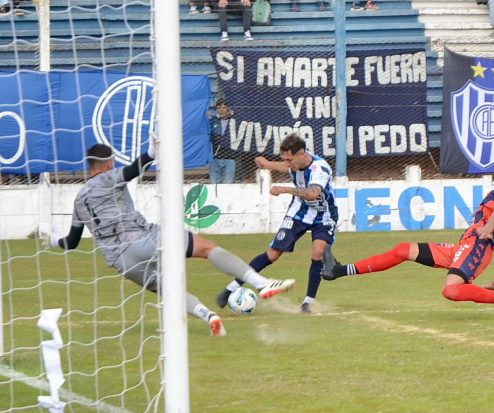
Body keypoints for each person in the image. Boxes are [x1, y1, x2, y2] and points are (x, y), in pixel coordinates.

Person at [50, 143, 296, 336]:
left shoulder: (79, 200)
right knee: (206, 248)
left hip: (120, 261)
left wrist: (52, 241)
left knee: (169, 290)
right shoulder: (106, 177)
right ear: (108, 163)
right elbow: (132, 171)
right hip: (143, 239)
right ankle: (262, 284)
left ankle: (208, 316)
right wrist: (150, 154)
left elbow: (71, 242)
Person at [321, 151, 494, 321]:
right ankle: (338, 270)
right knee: (403, 250)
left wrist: (488, 230)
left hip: (477, 246)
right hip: (466, 246)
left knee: (452, 290)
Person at [215, 134, 337, 313]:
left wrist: (284, 189)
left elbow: (313, 193)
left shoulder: (320, 168)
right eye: (285, 159)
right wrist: (266, 163)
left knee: (318, 252)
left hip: (324, 215)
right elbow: (285, 166)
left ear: (302, 153)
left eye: (290, 158)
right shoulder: (293, 163)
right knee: (272, 254)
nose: (288, 163)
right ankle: (229, 289)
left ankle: (308, 302)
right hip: (299, 212)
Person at [209, 99, 236, 184]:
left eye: (224, 107)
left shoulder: (234, 121)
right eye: (219, 108)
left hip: (230, 158)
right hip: (215, 158)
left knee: (227, 185)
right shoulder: (212, 121)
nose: (221, 110)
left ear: (229, 109)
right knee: (214, 185)